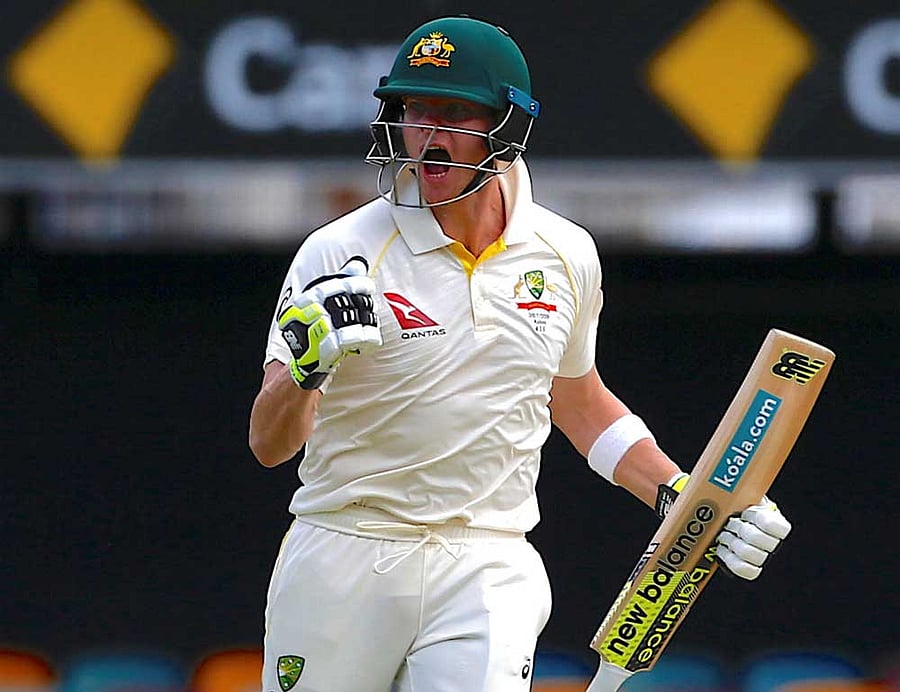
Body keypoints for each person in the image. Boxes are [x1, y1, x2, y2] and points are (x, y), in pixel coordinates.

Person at [248, 15, 791, 692]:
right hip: (345, 548)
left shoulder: (565, 252)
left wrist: (683, 500)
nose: (428, 136)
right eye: (415, 111)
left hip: (487, 561)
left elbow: (578, 401)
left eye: (453, 114)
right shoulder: (339, 252)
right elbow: (270, 445)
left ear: (506, 127)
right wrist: (303, 373)